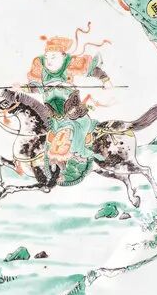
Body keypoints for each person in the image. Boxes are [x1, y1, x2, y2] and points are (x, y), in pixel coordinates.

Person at [25, 35, 111, 187]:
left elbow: (91, 70)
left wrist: (105, 79)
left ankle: (77, 161)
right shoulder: (41, 67)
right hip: (55, 118)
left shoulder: (69, 64)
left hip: (73, 117)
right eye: (47, 56)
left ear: (63, 56)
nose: (49, 60)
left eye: (53, 56)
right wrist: (23, 88)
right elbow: (35, 87)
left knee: (70, 137)